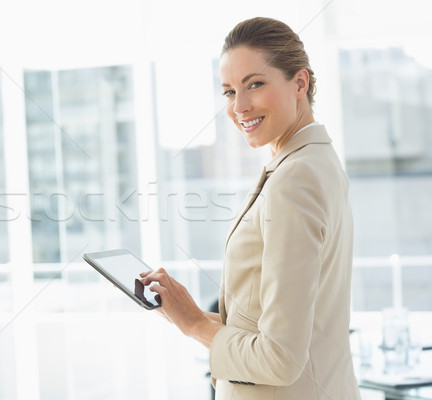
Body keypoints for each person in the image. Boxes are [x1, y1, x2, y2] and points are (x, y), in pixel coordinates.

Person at [140, 17, 361, 399]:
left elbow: (279, 357)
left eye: (254, 84)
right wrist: (182, 311)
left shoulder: (296, 178)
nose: (239, 106)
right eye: (228, 92)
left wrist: (194, 323)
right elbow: (273, 329)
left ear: (300, 83)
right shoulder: (312, 161)